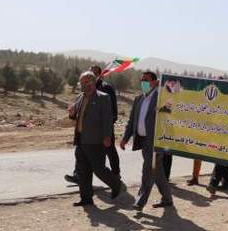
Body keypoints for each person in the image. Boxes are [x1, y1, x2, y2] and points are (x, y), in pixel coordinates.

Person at [68, 71, 126, 206]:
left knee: (99, 169)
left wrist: (107, 137)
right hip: (81, 139)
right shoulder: (80, 97)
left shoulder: (103, 97)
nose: (82, 85)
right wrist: (72, 114)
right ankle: (86, 198)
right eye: (81, 82)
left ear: (92, 82)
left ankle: (115, 183)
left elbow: (107, 119)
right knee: (83, 171)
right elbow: (76, 116)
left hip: (96, 140)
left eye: (84, 82)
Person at [120, 71, 173, 210]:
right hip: (142, 141)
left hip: (155, 141)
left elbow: (169, 117)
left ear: (155, 82)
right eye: (141, 80)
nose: (143, 82)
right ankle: (167, 198)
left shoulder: (161, 98)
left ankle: (140, 201)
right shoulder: (139, 99)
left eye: (146, 80)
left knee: (147, 170)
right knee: (157, 171)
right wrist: (125, 138)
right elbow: (132, 121)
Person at [64, 65, 120, 184]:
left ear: (99, 75)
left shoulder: (106, 88)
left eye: (94, 73)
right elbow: (78, 113)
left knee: (109, 152)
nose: (90, 76)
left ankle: (115, 175)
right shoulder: (82, 93)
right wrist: (72, 113)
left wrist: (107, 132)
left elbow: (111, 111)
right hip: (84, 133)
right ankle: (78, 175)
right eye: (90, 72)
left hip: (102, 130)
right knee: (82, 155)